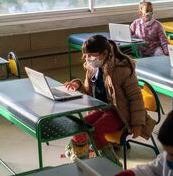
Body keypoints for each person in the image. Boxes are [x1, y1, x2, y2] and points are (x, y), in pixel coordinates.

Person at [63, 35, 156, 165]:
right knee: (79, 127)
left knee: (94, 132)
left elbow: (136, 99)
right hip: (103, 109)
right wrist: (78, 86)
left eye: (91, 55)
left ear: (104, 54)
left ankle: (111, 167)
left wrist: (137, 124)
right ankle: (81, 162)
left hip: (121, 114)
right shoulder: (92, 68)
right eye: (86, 55)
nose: (87, 59)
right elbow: (89, 93)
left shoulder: (121, 69)